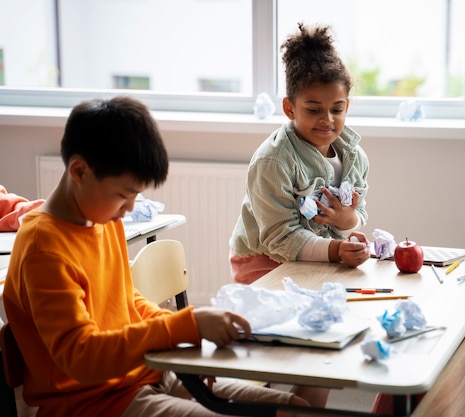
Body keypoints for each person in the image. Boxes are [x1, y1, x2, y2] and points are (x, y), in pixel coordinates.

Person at [3, 96, 312, 417]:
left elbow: (125, 302)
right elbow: (81, 356)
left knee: (294, 408)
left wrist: (186, 333)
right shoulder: (45, 249)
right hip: (92, 402)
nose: (130, 208)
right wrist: (182, 328)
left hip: (145, 374)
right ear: (80, 171)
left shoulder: (100, 218)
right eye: (124, 195)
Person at [229, 22, 371, 286]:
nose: (327, 120)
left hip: (319, 258)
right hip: (263, 263)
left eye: (337, 109)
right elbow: (280, 236)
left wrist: (348, 222)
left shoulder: (355, 157)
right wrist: (335, 251)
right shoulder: (273, 161)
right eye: (314, 109)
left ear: (347, 106)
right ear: (289, 108)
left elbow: (356, 213)